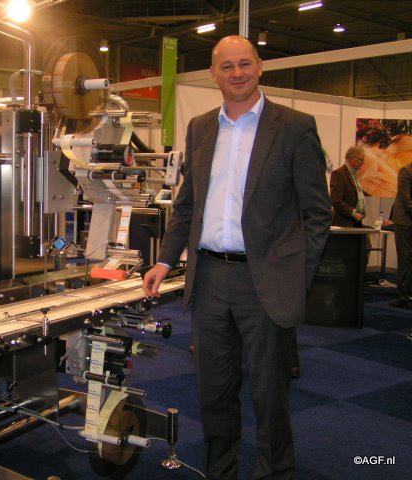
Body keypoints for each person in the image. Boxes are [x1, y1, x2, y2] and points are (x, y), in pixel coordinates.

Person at [142, 36, 331, 479]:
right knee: (214, 391)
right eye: (226, 66)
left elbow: (317, 213)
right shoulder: (201, 127)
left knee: (270, 394)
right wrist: (165, 260)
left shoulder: (294, 126)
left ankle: (275, 472)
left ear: (260, 66)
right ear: (214, 74)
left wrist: (295, 275)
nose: (237, 73)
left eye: (245, 64)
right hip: (209, 279)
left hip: (266, 281)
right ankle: (221, 472)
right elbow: (187, 205)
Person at [391, 162, 412, 308]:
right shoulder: (406, 171)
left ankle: (407, 290)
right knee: (404, 256)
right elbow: (406, 199)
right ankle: (403, 293)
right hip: (404, 220)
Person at [330, 146, 368, 227]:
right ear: (353, 159)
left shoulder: (354, 175)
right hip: (343, 224)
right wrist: (353, 213)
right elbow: (335, 200)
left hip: (355, 223)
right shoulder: (339, 174)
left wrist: (362, 212)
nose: (363, 163)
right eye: (361, 160)